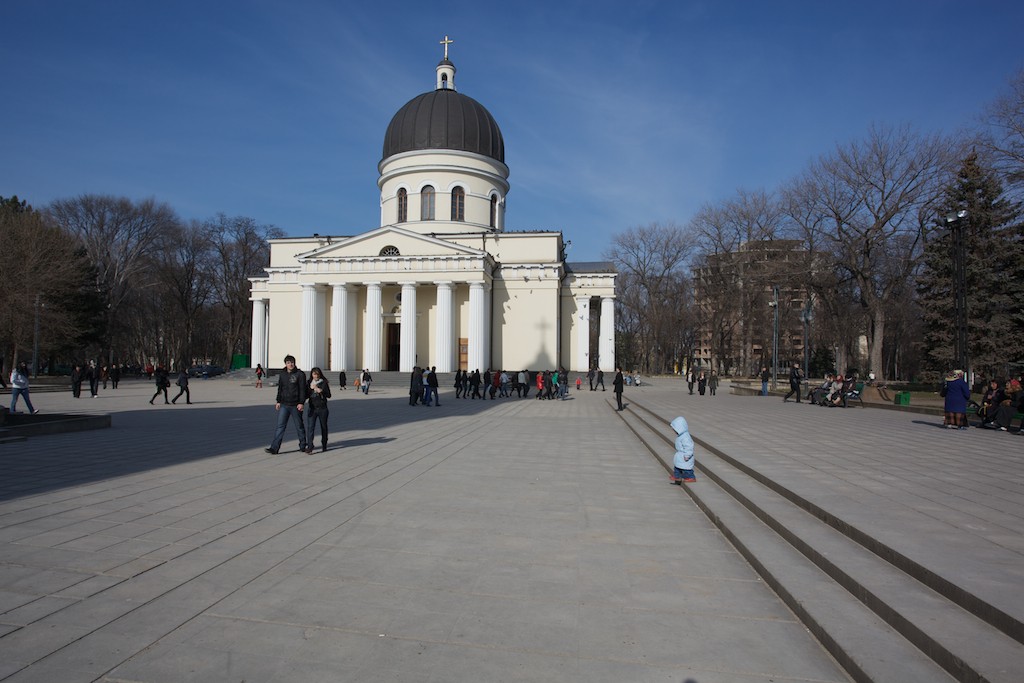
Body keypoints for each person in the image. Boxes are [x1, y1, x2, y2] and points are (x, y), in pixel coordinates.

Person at [266, 355, 308, 454]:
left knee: (299, 426)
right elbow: (280, 388)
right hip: (284, 404)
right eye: (288, 362)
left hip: (295, 405)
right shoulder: (283, 374)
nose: (291, 364)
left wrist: (301, 402)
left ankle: (303, 445)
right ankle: (274, 448)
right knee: (280, 426)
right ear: (285, 364)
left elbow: (303, 390)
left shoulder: (300, 374)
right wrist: (278, 401)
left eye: (292, 362)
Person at [305, 367, 331, 453]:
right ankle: (310, 446)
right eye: (314, 374)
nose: (316, 376)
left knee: (323, 427)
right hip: (312, 408)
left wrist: (321, 391)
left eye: (317, 374)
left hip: (322, 409)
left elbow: (329, 395)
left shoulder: (323, 383)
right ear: (311, 375)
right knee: (310, 428)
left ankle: (324, 444)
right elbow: (305, 395)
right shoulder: (309, 383)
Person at [669, 415, 696, 484]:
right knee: (677, 467)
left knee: (686, 469)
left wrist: (687, 455)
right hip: (680, 455)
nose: (674, 431)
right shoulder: (681, 436)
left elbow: (689, 447)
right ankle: (677, 476)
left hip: (684, 456)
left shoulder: (686, 437)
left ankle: (691, 477)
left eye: (675, 429)